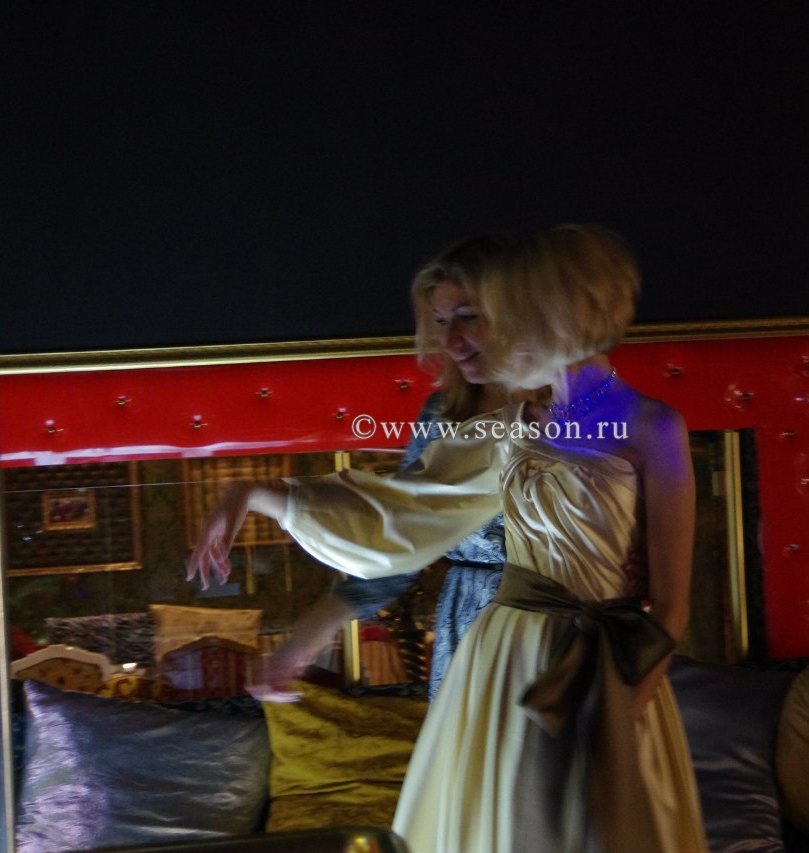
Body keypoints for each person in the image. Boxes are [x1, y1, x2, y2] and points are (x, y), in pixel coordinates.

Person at [188, 224, 706, 853]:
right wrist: (258, 494)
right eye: (443, 322)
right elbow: (402, 514)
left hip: (606, 660)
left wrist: (626, 703)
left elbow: (672, 604)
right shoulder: (508, 425)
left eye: (480, 317)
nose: (458, 341)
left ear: (552, 317)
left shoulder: (649, 425)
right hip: (501, 652)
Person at [259, 233, 515, 700]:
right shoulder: (441, 415)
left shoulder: (576, 409)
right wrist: (300, 645)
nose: (450, 341)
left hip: (559, 626)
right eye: (441, 321)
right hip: (468, 633)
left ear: (516, 310)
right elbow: (395, 542)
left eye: (468, 317)